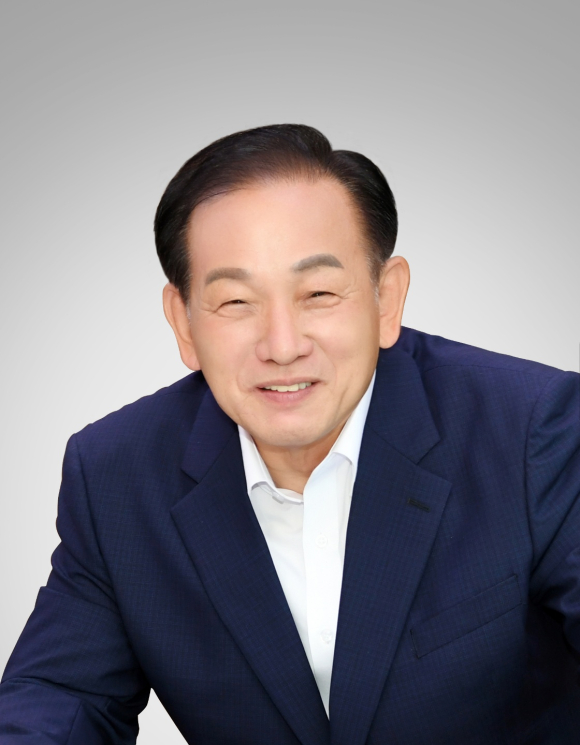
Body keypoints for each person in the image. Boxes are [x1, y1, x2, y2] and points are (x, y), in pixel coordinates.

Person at [0, 123, 578, 745]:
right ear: (184, 323)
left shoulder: (531, 430)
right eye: (236, 302)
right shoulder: (116, 475)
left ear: (386, 299)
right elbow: (63, 696)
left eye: (318, 293)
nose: (282, 346)